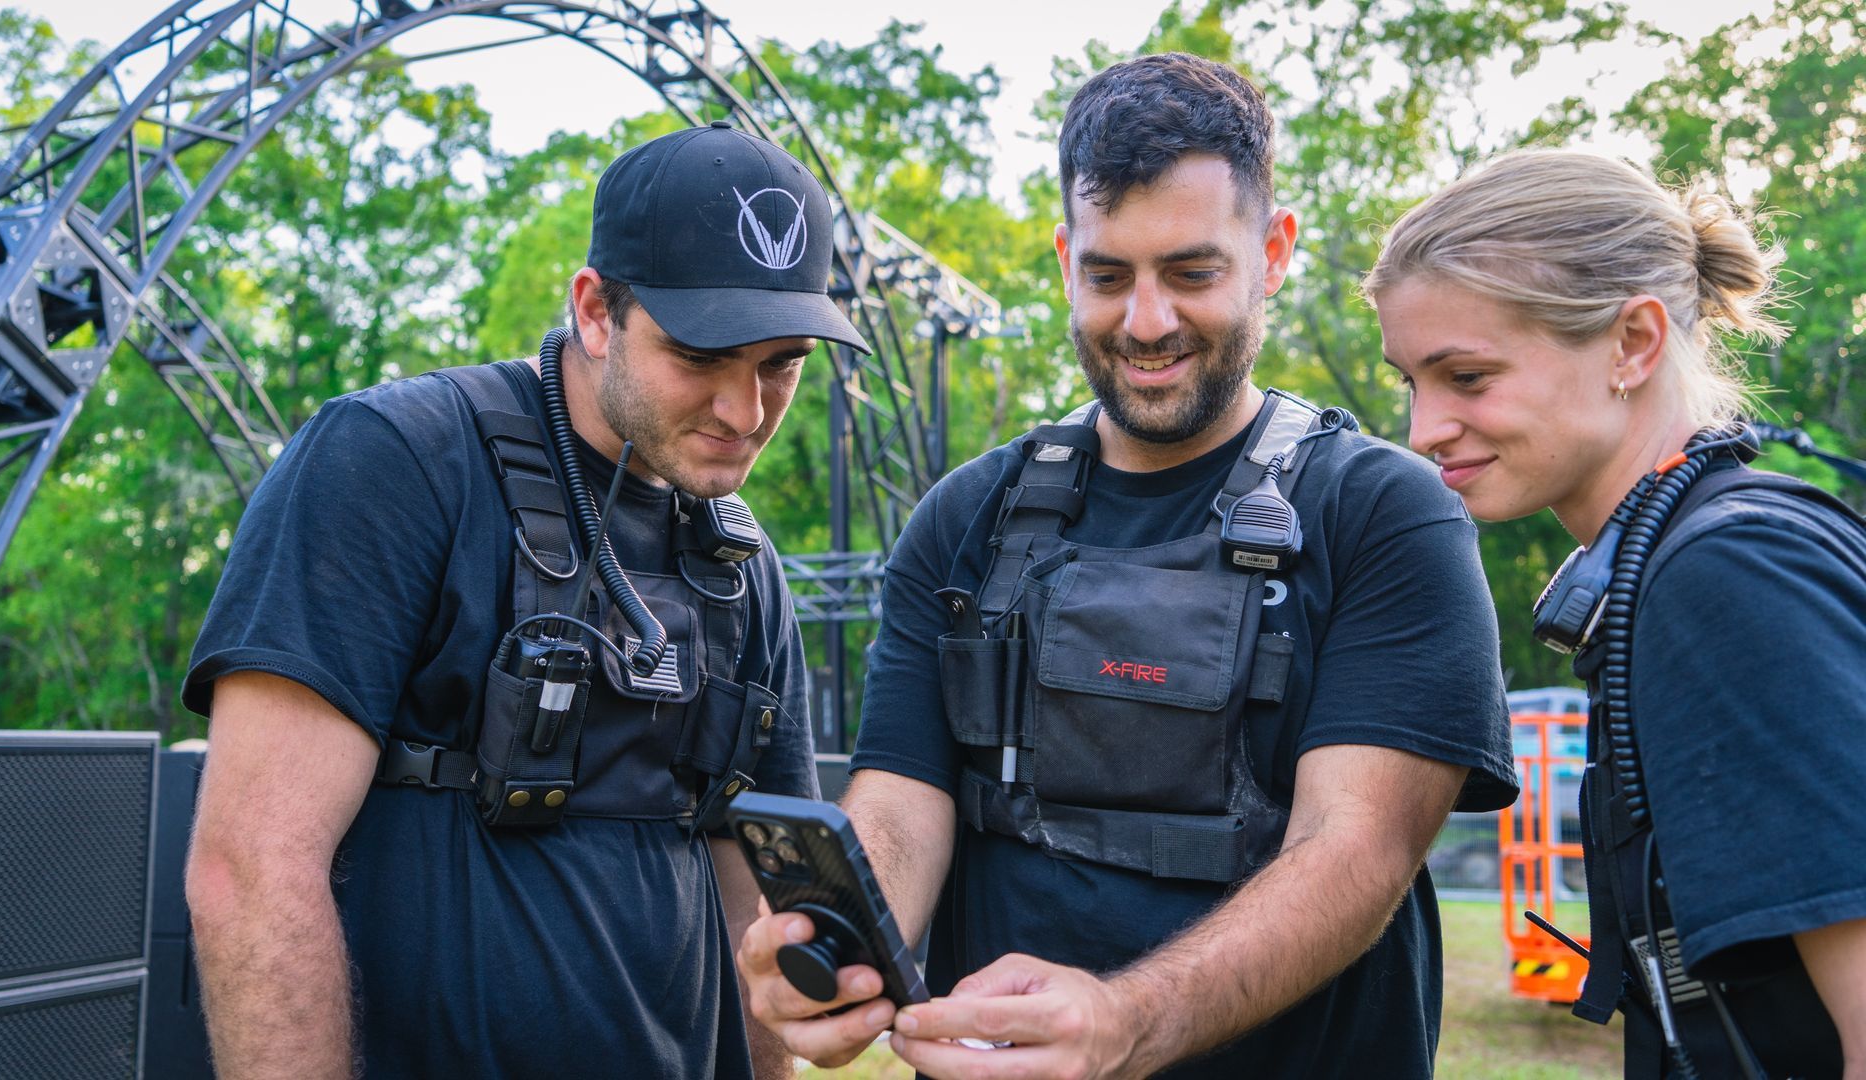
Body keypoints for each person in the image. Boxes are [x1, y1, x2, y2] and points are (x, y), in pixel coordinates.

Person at [737, 53, 1519, 1078]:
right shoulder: (967, 519)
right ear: (1065, 257)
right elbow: (897, 802)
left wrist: (1125, 1021)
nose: (1146, 322)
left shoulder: (1385, 515)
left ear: (1273, 252)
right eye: (1108, 276)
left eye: (1192, 272)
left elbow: (1356, 852)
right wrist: (835, 936)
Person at [181, 122, 869, 1078]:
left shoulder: (741, 560)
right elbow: (252, 867)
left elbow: (752, 895)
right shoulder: (395, 463)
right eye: (703, 355)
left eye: (781, 363)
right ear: (595, 311)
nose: (745, 412)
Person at [1366, 147, 1866, 1078]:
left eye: (1467, 377)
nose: (1423, 429)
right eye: (1412, 383)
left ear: (1632, 344)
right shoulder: (1677, 565)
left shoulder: (1730, 575)